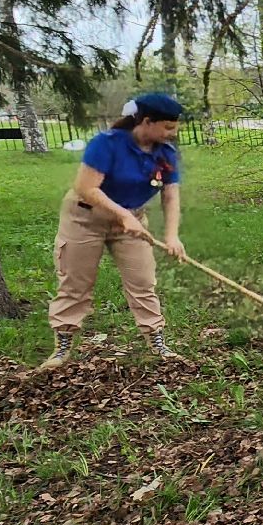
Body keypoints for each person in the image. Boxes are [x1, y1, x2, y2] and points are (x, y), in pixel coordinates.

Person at [43, 92, 188, 368]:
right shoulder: (106, 144)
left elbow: (170, 195)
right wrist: (122, 214)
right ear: (147, 121)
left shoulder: (165, 154)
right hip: (85, 217)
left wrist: (171, 236)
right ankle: (61, 347)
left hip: (131, 222)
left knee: (143, 282)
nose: (172, 133)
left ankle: (156, 341)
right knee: (75, 283)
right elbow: (86, 188)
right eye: (168, 127)